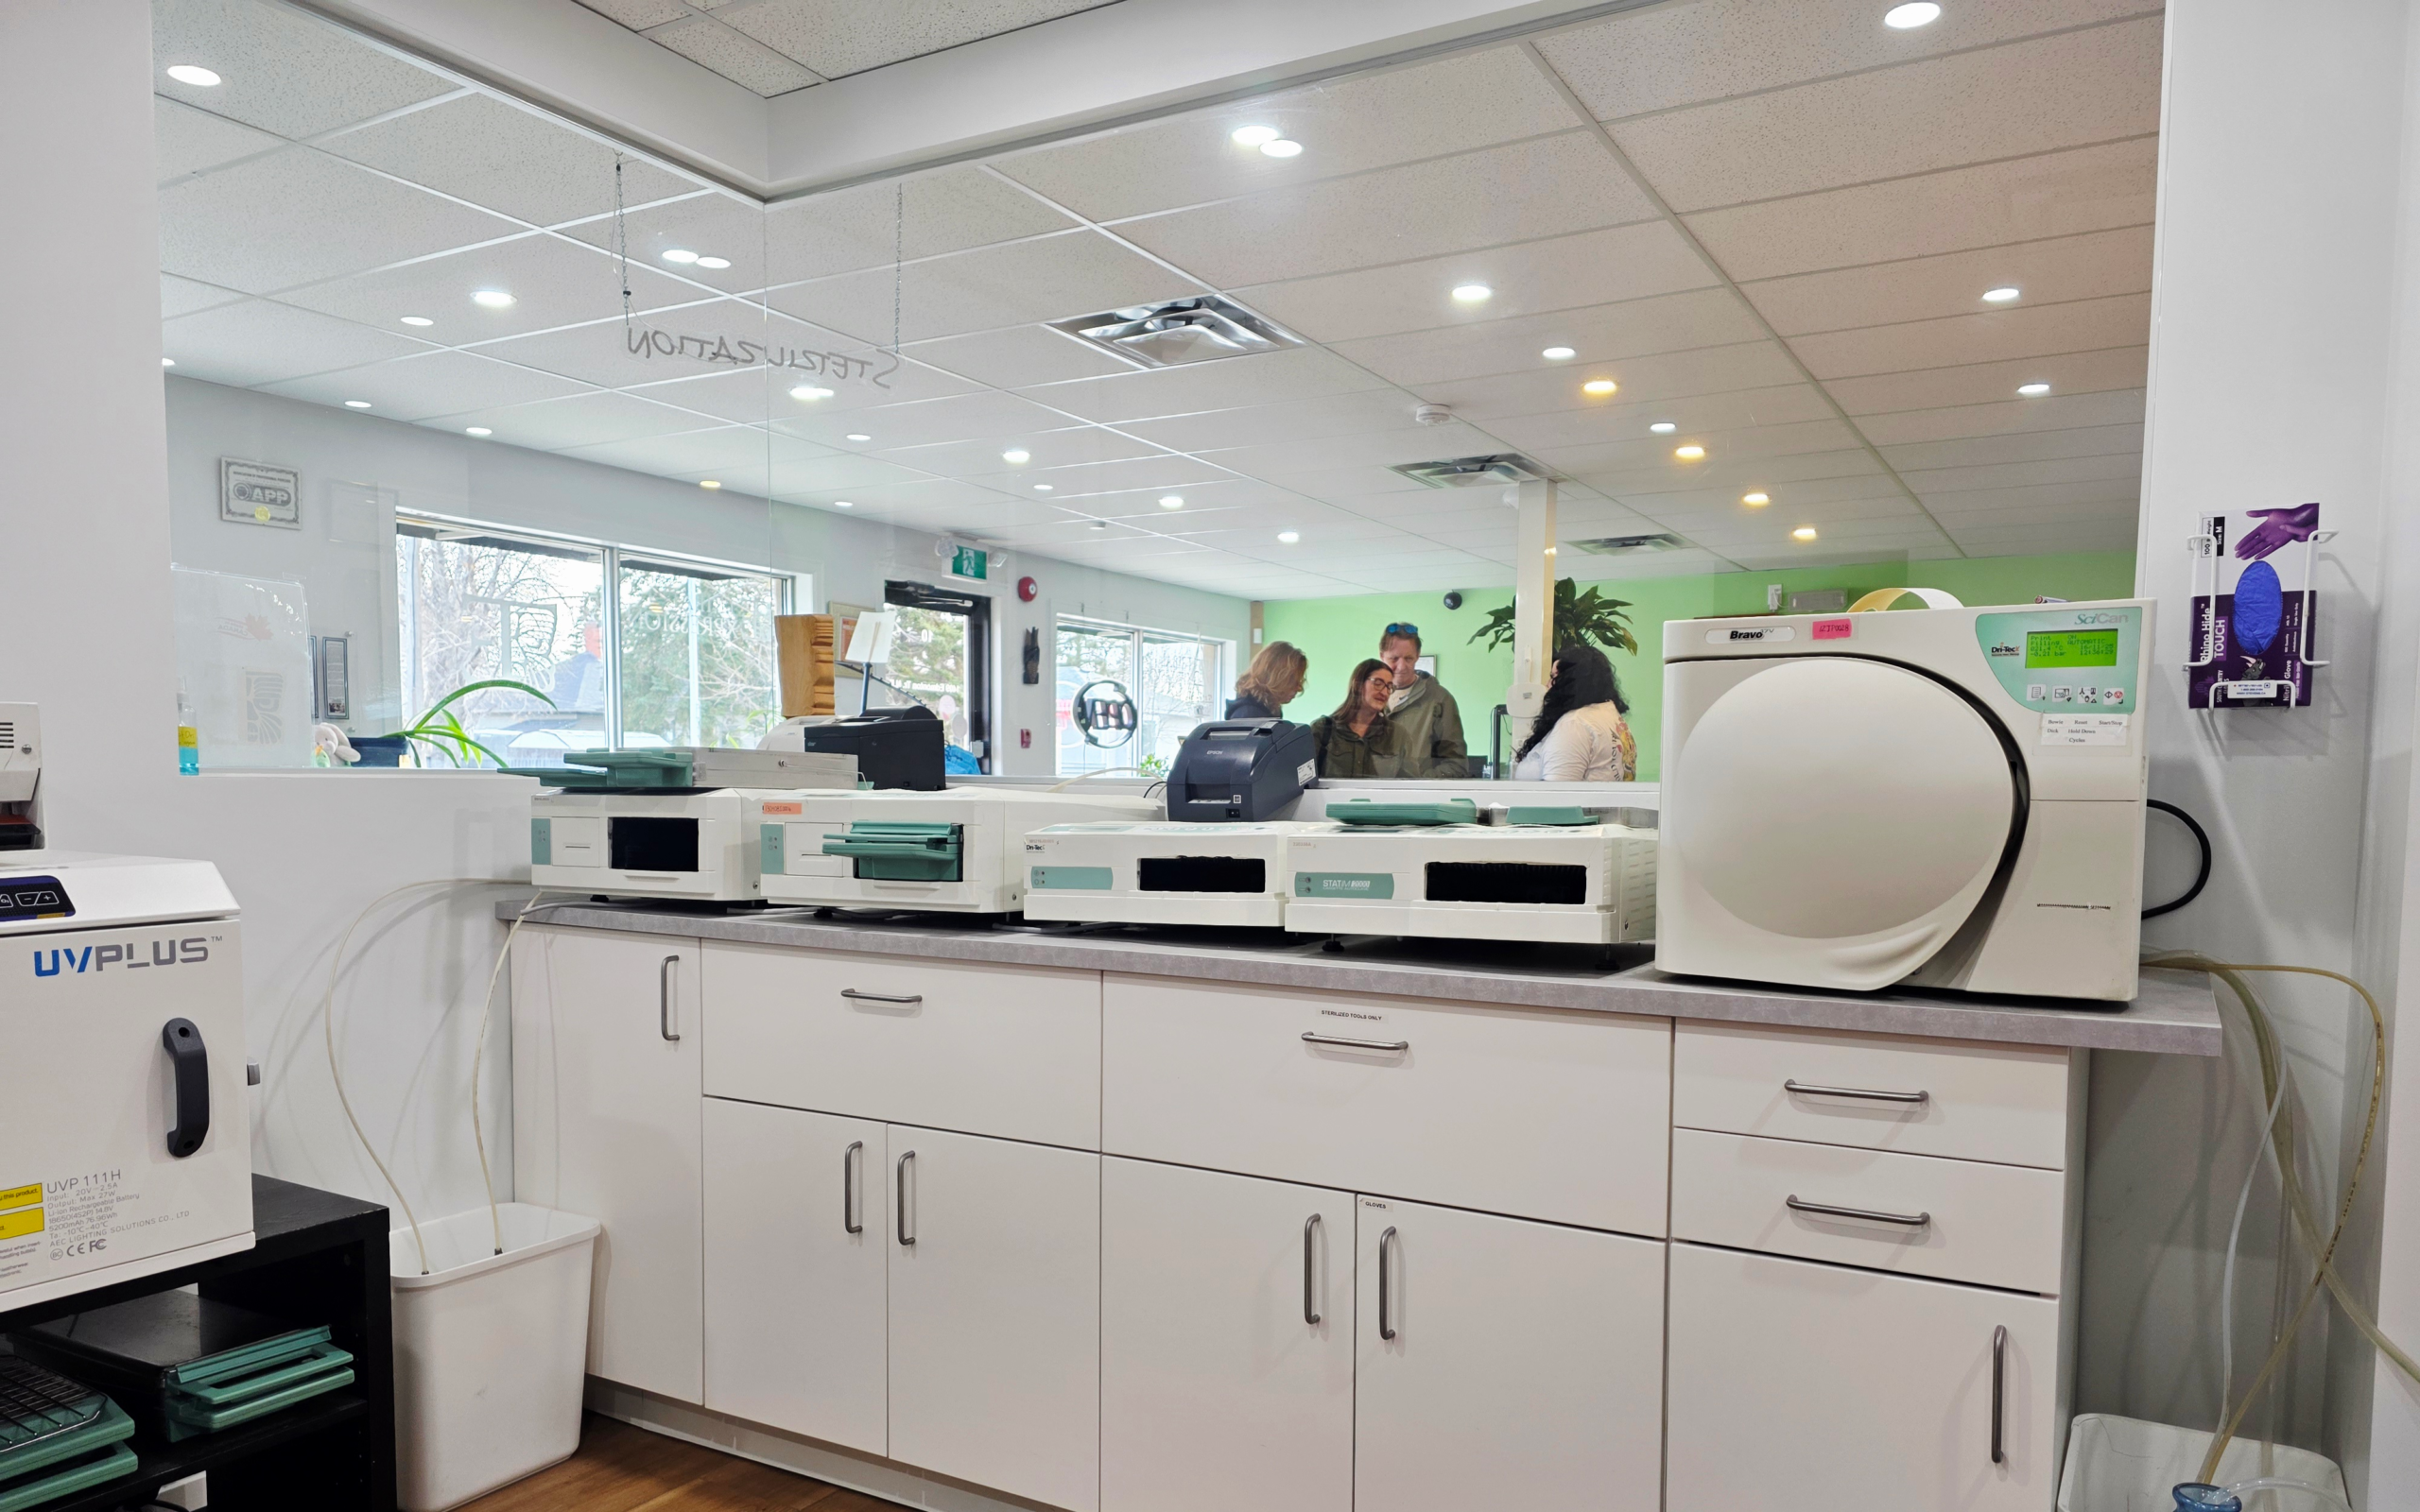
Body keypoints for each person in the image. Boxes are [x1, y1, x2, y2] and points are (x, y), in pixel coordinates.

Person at [1512, 644, 1636, 782]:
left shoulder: (1574, 724)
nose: (1548, 685)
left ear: (1571, 683)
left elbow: (1558, 797)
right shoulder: (1609, 714)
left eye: (1554, 677)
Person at [1376, 624, 1466, 778]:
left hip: (1418, 799)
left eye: (1408, 658)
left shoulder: (1440, 699)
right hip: (1371, 798)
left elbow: (1456, 766)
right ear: (1382, 656)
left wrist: (1419, 784)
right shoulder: (1366, 696)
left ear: (1418, 656)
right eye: (1394, 658)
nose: (1401, 666)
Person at [1310, 659, 1399, 778]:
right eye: (1378, 683)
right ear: (1358, 685)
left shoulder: (1397, 735)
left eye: (1389, 687)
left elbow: (1412, 788)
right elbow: (1304, 783)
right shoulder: (1321, 730)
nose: (1385, 692)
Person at [1227, 640, 1307, 720]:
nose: (1299, 688)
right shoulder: (1249, 715)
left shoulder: (1266, 711)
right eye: (1293, 681)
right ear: (1274, 678)